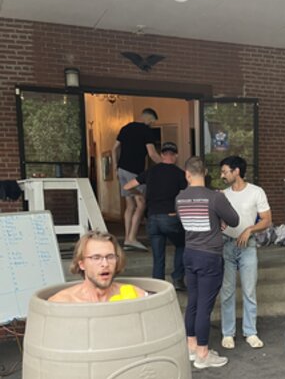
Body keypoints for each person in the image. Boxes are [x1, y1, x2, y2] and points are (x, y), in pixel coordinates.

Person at [176, 156, 239, 369]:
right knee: (204, 306)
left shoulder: (180, 198)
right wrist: (221, 211)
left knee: (193, 302)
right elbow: (234, 220)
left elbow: (187, 221)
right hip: (209, 256)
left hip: (189, 253)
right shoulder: (215, 197)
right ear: (205, 173)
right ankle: (203, 354)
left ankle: (191, 346)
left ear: (187, 174)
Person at [219, 156, 272, 349]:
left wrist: (250, 229)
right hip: (226, 244)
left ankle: (250, 332)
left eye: (225, 171)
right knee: (227, 292)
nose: (222, 175)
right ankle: (228, 333)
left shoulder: (256, 192)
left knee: (249, 291)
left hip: (248, 246)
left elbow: (266, 220)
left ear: (237, 171)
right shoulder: (222, 194)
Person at [124, 142, 187, 290]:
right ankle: (178, 278)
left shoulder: (151, 171)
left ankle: (158, 286)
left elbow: (127, 186)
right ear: (176, 156)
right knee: (182, 244)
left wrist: (138, 194)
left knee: (158, 256)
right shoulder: (179, 173)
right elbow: (188, 192)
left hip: (152, 218)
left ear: (162, 155)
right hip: (170, 217)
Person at [48, 230, 147, 303]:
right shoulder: (63, 302)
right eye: (96, 258)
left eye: (110, 257)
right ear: (82, 264)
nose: (105, 264)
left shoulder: (138, 296)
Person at [112, 108, 161, 251]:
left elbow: (114, 148)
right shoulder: (146, 131)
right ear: (148, 118)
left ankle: (127, 239)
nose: (152, 124)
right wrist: (166, 165)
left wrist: (115, 166)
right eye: (152, 122)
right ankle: (131, 238)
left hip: (121, 170)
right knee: (141, 203)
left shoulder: (125, 128)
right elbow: (152, 154)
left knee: (130, 205)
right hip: (134, 172)